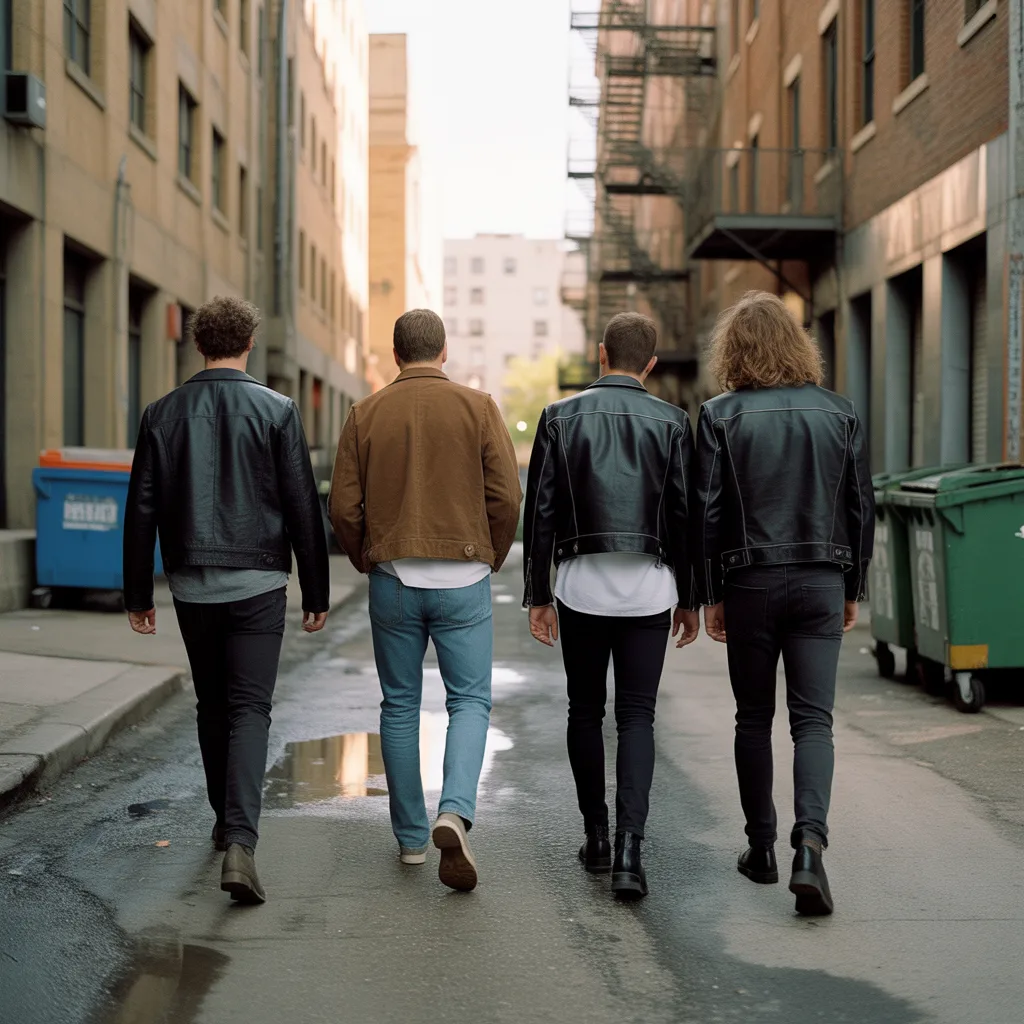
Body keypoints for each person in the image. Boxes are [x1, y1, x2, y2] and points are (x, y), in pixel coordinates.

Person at [123, 296, 330, 906]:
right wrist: (315, 589)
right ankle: (241, 838)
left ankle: (224, 822)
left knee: (212, 703)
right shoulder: (277, 410)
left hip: (191, 583)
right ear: (248, 344)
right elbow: (301, 506)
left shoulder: (161, 414)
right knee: (251, 708)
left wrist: (138, 593)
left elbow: (141, 510)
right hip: (260, 583)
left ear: (198, 344)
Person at [693, 290, 875, 916]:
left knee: (753, 718)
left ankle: (761, 849)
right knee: (813, 721)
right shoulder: (840, 412)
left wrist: (710, 593)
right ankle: (811, 847)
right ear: (798, 345)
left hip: (750, 582)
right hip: (823, 579)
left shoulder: (719, 415)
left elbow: (710, 512)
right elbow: (860, 507)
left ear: (733, 349)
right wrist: (854, 586)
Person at [329, 309, 521, 892]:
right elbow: (506, 496)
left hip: (394, 576)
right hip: (464, 575)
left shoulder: (365, 413)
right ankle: (454, 812)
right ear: (444, 352)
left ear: (396, 354)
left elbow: (342, 507)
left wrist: (369, 557)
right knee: (468, 702)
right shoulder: (479, 407)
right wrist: (490, 554)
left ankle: (412, 839)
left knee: (400, 705)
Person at [523, 312, 700, 901]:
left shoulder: (559, 418)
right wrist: (692, 597)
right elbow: (684, 515)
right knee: (636, 718)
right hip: (650, 588)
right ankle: (630, 851)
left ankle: (595, 836)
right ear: (650, 364)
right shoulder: (674, 422)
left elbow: (541, 512)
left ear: (601, 354)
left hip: (580, 586)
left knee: (583, 711)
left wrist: (538, 595)